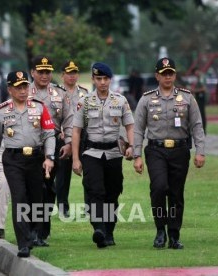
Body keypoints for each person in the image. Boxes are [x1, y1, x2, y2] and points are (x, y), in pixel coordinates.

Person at [133, 57, 206, 250]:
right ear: (157, 75)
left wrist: (201, 151)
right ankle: (160, 230)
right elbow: (138, 128)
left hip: (180, 151)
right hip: (156, 150)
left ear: (175, 75)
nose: (168, 77)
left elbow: (197, 125)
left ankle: (174, 235)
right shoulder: (147, 99)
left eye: (171, 73)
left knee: (175, 193)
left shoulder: (187, 97)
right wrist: (136, 155)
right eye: (164, 74)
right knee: (159, 188)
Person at [0, 71, 56, 258]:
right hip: (13, 160)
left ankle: (32, 232)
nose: (23, 91)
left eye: (25, 86)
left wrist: (49, 157)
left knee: (36, 199)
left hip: (35, 158)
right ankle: (23, 243)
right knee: (19, 198)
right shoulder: (2, 111)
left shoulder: (39, 108)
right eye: (18, 88)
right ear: (10, 89)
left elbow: (49, 134)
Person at [72, 62, 134, 248]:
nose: (102, 82)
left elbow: (130, 126)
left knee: (112, 194)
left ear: (110, 80)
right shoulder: (85, 101)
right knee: (95, 191)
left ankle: (109, 231)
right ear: (93, 79)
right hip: (92, 153)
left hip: (114, 153)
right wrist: (75, 159)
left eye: (105, 78)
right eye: (98, 79)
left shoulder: (120, 100)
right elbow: (76, 131)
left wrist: (132, 146)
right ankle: (99, 229)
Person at [29, 55, 73, 246]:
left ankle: (42, 232)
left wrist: (69, 142)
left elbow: (69, 119)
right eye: (41, 72)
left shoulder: (59, 93)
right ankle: (30, 230)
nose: (45, 76)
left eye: (48, 72)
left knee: (48, 189)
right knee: (32, 189)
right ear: (33, 73)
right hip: (30, 146)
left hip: (53, 145)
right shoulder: (23, 91)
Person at [55, 61, 88, 218]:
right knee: (63, 174)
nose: (72, 76)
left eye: (74, 73)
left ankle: (89, 206)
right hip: (64, 138)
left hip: (83, 138)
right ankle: (63, 207)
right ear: (62, 75)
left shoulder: (84, 93)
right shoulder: (56, 93)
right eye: (69, 73)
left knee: (89, 172)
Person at [190, 67, 207, 134]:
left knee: (202, 113)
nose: (195, 74)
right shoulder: (198, 79)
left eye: (195, 72)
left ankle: (204, 130)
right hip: (198, 97)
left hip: (201, 97)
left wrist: (194, 91)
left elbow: (204, 89)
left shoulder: (202, 78)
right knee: (198, 113)